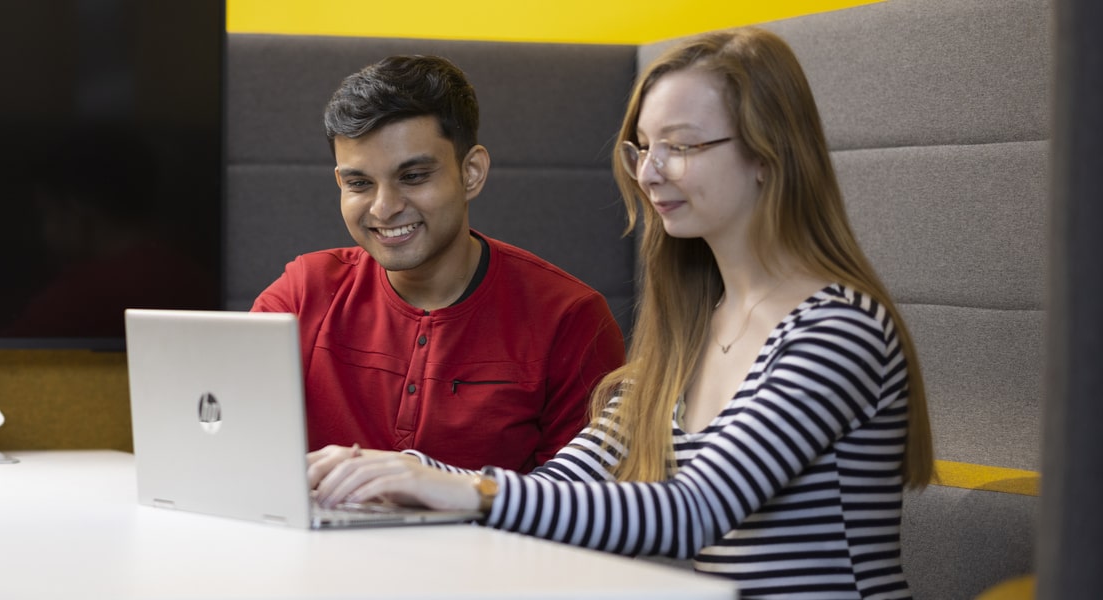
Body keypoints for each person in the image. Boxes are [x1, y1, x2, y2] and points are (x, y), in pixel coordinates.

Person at [309, 28, 934, 599]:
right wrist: (399, 472)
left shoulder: (837, 329)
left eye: (682, 146)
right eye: (642, 149)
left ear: (768, 157)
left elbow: (693, 511)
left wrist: (461, 490)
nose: (650, 173)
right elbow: (569, 483)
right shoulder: (693, 333)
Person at [252, 55, 626, 473]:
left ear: (471, 173)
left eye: (413, 177)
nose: (384, 207)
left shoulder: (570, 318)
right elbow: (226, 438)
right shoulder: (302, 292)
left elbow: (584, 503)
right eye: (360, 183)